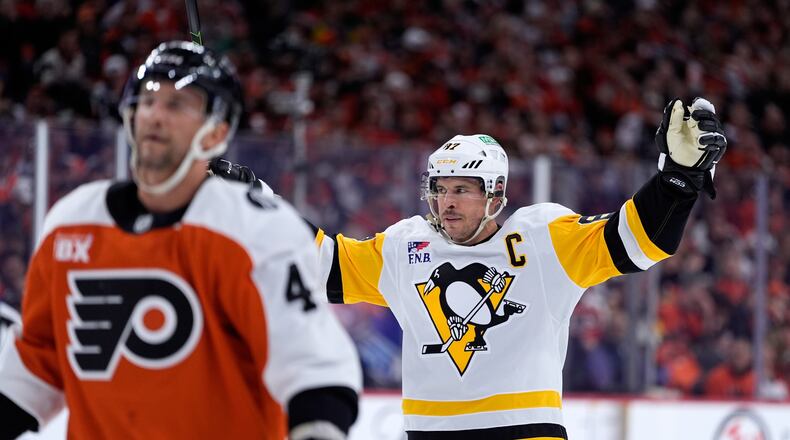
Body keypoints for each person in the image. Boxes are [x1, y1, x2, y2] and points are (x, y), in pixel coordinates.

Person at [216, 97, 726, 439]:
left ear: (496, 195)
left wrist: (678, 178)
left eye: (462, 189)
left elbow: (639, 241)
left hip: (525, 432)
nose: (447, 202)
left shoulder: (544, 240)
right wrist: (254, 199)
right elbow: (321, 265)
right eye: (440, 189)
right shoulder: (404, 247)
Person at [0, 41, 361, 440]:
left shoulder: (257, 230)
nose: (156, 114)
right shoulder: (72, 223)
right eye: (149, 99)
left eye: (178, 104)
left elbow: (312, 365)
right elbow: (37, 358)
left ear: (217, 131)